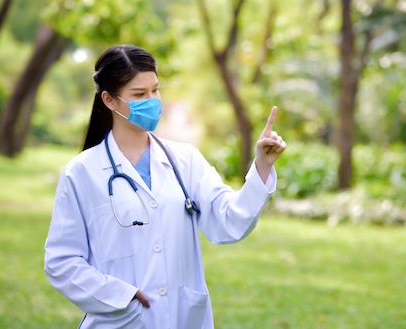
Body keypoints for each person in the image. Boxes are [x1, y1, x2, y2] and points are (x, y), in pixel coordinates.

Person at [44, 44, 286, 328]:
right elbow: (61, 261)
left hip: (182, 319)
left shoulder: (185, 161)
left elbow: (229, 222)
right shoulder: (81, 173)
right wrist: (122, 297)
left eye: (155, 90)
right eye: (139, 94)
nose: (152, 101)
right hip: (120, 321)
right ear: (109, 100)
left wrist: (262, 167)